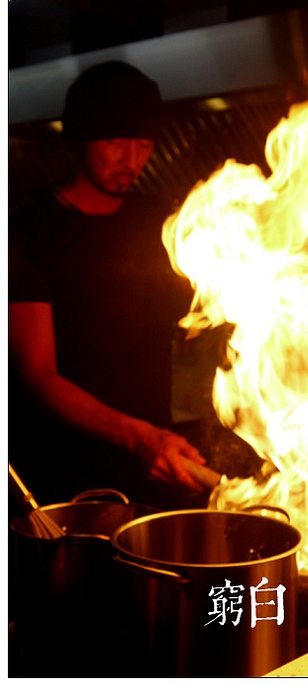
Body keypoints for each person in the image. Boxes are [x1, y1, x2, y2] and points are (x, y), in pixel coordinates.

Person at [9, 61, 209, 508]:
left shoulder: (162, 222)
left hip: (161, 463)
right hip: (68, 482)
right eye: (115, 140)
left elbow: (211, 305)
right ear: (80, 136)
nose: (132, 160)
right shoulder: (29, 233)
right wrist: (138, 437)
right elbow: (37, 376)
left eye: (144, 143)